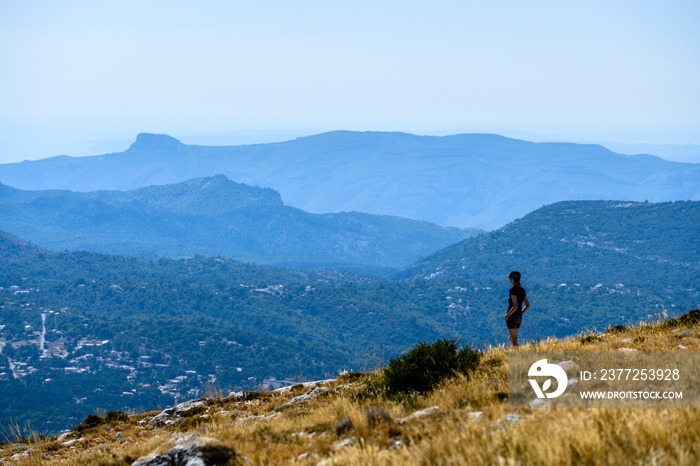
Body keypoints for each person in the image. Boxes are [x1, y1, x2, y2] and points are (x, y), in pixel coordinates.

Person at [505, 270, 530, 347]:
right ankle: (517, 352)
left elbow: (515, 306)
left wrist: (507, 315)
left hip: (512, 316)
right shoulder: (522, 290)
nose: (509, 279)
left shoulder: (513, 290)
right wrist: (521, 312)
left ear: (512, 279)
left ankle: (518, 355)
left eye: (510, 277)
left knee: (513, 338)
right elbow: (528, 305)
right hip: (519, 317)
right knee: (512, 337)